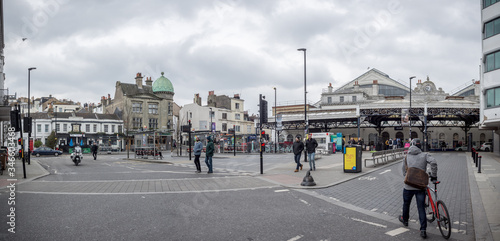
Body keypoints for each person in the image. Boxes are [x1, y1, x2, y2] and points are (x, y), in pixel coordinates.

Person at [399, 138, 437, 239]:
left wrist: (408, 176)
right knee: (421, 208)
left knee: (406, 204)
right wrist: (434, 175)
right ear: (420, 146)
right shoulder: (424, 155)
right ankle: (423, 230)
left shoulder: (406, 156)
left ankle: (405, 220)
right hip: (420, 186)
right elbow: (433, 162)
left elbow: (403, 171)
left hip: (408, 186)